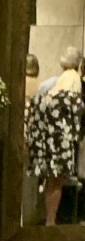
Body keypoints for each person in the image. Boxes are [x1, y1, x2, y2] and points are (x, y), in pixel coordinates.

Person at [26, 47, 83, 225]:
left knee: (51, 180)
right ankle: (50, 220)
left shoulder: (52, 84)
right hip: (60, 137)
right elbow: (76, 113)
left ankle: (49, 220)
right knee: (55, 181)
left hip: (50, 135)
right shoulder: (73, 82)